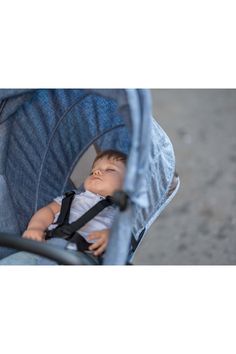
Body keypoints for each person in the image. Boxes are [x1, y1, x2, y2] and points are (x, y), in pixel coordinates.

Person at [0, 149, 127, 265]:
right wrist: (36, 227)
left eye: (110, 169)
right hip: (44, 248)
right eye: (93, 171)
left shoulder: (120, 212)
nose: (97, 172)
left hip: (82, 258)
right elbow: (48, 211)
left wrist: (113, 236)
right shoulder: (71, 197)